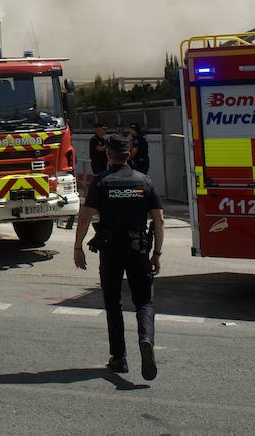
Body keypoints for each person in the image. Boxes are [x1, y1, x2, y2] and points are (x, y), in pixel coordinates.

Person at [72, 133, 164, 380]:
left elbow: (85, 216)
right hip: (139, 248)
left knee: (113, 303)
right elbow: (159, 220)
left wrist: (78, 246)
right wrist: (157, 253)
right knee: (144, 301)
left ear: (108, 154)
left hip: (111, 250)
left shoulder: (101, 182)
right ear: (128, 154)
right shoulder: (145, 182)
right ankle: (146, 339)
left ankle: (119, 357)